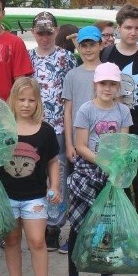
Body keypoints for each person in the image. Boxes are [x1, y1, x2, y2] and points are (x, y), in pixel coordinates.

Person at [65, 62, 133, 276]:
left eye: (112, 84)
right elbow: (80, 145)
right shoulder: (86, 110)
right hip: (87, 171)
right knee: (79, 224)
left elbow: (123, 145)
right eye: (103, 83)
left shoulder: (123, 112)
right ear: (95, 84)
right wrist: (103, 160)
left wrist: (117, 166)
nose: (107, 88)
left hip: (111, 174)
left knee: (107, 227)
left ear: (118, 87)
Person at [100, 4, 138, 244]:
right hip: (114, 134)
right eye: (128, 27)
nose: (133, 32)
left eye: (137, 28)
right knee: (120, 186)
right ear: (119, 28)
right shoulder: (107, 55)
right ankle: (122, 230)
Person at [0, 77, 60, 276]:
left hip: (35, 197)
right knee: (12, 240)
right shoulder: (3, 130)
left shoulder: (46, 131)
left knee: (37, 241)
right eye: (21, 99)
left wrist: (55, 185)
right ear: (12, 100)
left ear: (38, 103)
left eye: (31, 100)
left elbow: (53, 161)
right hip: (7, 197)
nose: (25, 104)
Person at [28, 11, 77, 252]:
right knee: (34, 175)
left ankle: (54, 227)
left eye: (49, 32)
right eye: (40, 32)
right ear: (33, 33)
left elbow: (71, 94)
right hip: (35, 126)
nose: (44, 37)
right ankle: (35, 222)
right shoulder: (28, 58)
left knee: (58, 177)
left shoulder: (67, 58)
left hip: (58, 126)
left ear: (56, 32)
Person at [61, 26, 103, 249]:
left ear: (100, 45)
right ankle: (75, 235)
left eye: (92, 45)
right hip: (79, 144)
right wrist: (69, 142)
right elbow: (68, 111)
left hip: (102, 144)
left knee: (100, 192)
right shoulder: (72, 75)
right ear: (78, 47)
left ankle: (96, 236)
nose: (88, 49)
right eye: (84, 45)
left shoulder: (107, 72)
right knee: (78, 192)